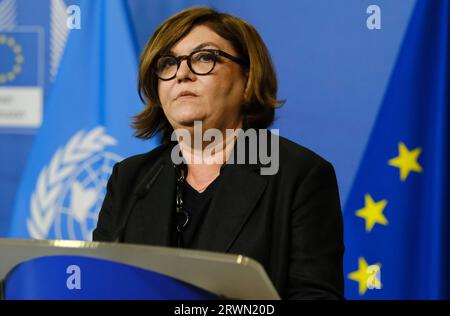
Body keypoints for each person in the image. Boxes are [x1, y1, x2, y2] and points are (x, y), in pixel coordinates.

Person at [93, 7, 344, 300]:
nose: (182, 74)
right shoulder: (131, 178)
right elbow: (102, 285)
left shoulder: (297, 174)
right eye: (167, 63)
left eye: (204, 58)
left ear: (248, 82)